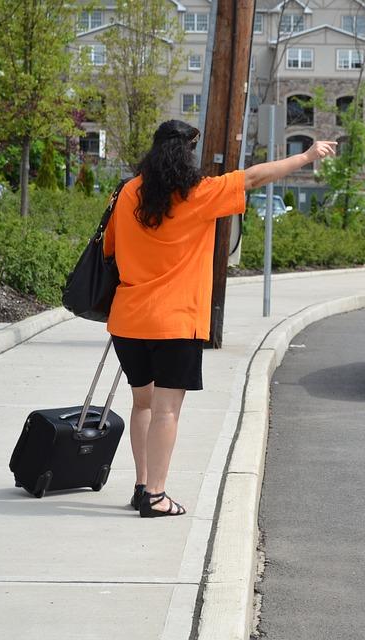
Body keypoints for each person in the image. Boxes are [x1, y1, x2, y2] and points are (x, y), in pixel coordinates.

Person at [103, 119, 336, 518]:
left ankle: (142, 487)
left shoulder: (126, 194)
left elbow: (109, 249)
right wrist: (307, 155)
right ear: (187, 156)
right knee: (167, 410)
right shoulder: (200, 194)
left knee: (142, 404)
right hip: (176, 322)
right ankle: (157, 496)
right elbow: (256, 176)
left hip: (128, 320)